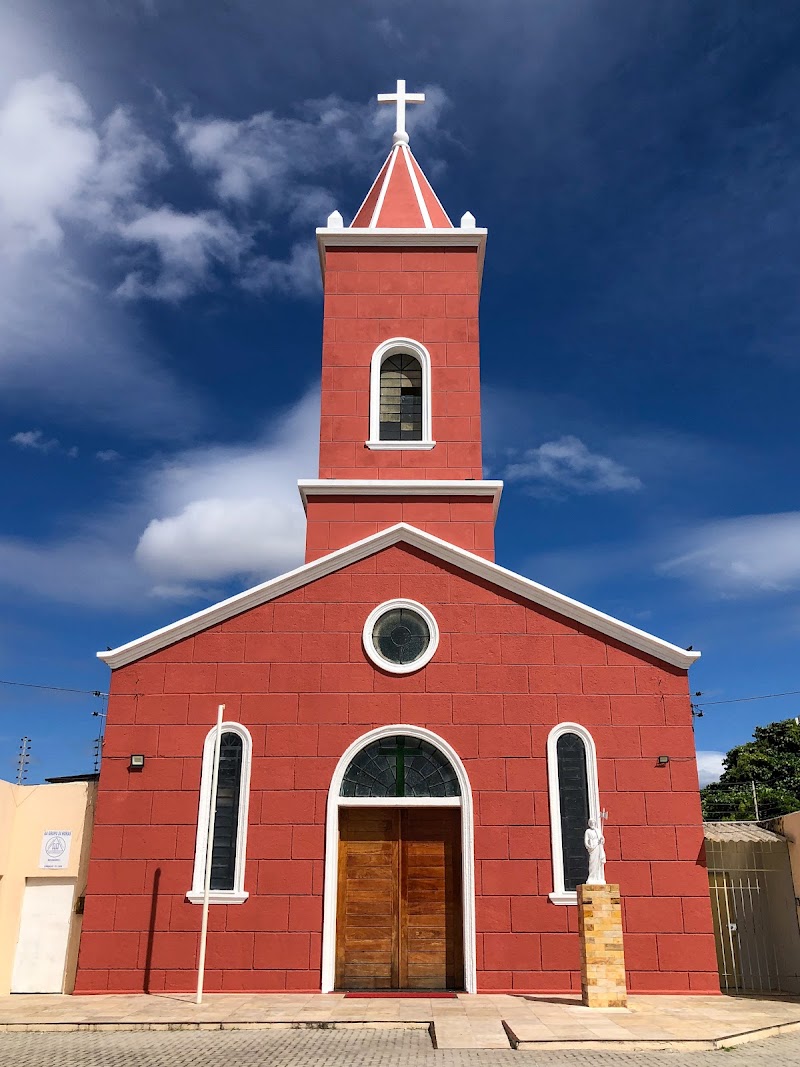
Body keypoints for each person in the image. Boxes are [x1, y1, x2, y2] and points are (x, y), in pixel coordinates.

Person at [584, 817, 606, 885]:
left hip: (598, 846)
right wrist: (588, 846)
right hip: (592, 847)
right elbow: (586, 840)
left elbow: (602, 839)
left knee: (598, 862)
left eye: (593, 823)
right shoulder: (588, 831)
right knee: (592, 862)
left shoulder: (598, 831)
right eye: (591, 823)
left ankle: (598, 877)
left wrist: (602, 840)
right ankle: (592, 877)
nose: (592, 824)